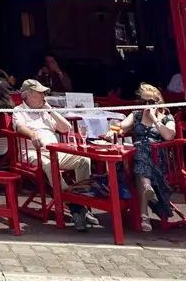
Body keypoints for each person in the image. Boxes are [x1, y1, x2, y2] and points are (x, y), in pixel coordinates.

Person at [12, 78, 98, 232]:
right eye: (40, 93)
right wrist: (32, 134)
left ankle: (81, 200)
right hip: (33, 153)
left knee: (84, 160)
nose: (44, 95)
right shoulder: (19, 110)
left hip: (54, 152)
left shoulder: (46, 111)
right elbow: (19, 127)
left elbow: (66, 128)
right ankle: (77, 208)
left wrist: (51, 110)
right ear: (29, 95)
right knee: (51, 167)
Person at [110, 83, 177, 232]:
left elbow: (169, 136)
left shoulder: (166, 118)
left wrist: (154, 119)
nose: (146, 105)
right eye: (143, 101)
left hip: (158, 158)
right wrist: (113, 130)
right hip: (138, 156)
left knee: (139, 157)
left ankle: (144, 211)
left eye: (150, 102)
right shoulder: (136, 115)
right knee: (139, 157)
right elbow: (121, 126)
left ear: (158, 102)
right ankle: (146, 192)